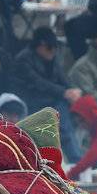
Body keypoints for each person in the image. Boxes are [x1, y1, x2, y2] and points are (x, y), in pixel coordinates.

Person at [12, 28, 81, 159]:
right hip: (30, 101)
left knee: (64, 111)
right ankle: (76, 158)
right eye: (49, 48)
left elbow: (62, 77)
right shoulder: (23, 59)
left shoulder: (51, 58)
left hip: (49, 99)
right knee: (61, 114)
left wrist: (71, 91)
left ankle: (76, 157)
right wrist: (64, 93)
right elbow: (39, 83)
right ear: (40, 46)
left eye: (55, 48)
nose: (53, 51)